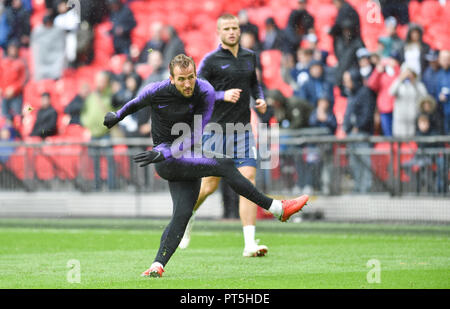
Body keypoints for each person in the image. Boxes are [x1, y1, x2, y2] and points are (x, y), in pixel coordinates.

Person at [102, 54, 309, 277]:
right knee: (224, 164)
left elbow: (195, 134)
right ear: (171, 79)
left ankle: (157, 265)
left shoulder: (205, 90)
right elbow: (135, 103)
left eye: (191, 77)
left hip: (179, 154)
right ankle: (277, 209)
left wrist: (164, 151)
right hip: (166, 162)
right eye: (181, 79)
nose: (187, 83)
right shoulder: (156, 90)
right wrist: (117, 115)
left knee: (181, 215)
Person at [178, 14, 275, 257]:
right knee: (210, 184)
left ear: (239, 31)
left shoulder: (250, 56)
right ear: (219, 32)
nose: (232, 32)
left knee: (248, 181)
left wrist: (260, 99)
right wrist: (222, 95)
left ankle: (249, 243)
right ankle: (186, 216)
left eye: (235, 28)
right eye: (227, 28)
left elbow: (254, 83)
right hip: (216, 129)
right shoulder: (210, 61)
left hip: (242, 130)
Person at [80, 71, 117, 190]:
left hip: (106, 134)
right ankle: (97, 187)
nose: (100, 83)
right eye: (98, 80)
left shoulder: (111, 95)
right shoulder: (90, 97)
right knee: (95, 163)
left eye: (102, 80)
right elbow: (84, 113)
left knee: (110, 162)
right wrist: (87, 125)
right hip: (93, 134)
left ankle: (111, 187)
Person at [342, 70, 376, 194]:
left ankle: (365, 189)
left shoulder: (365, 93)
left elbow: (367, 114)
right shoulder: (352, 94)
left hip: (362, 134)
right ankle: (357, 188)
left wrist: (358, 126)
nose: (345, 84)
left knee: (364, 162)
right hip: (352, 135)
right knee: (354, 163)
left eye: (348, 81)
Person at [366, 53, 401, 136]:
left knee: (397, 133)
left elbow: (400, 80)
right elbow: (371, 84)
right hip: (384, 107)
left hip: (397, 106)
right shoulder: (382, 74)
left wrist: (395, 67)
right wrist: (377, 71)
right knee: (387, 133)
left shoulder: (397, 72)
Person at [390, 64, 428, 137]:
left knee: (412, 142)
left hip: (413, 119)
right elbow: (391, 92)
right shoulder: (399, 84)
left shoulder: (418, 85)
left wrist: (414, 82)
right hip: (399, 119)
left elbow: (424, 98)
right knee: (399, 141)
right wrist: (400, 79)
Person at [30, 14, 66, 80]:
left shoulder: (58, 30)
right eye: (46, 23)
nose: (48, 25)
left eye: (49, 23)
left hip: (55, 57)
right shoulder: (37, 31)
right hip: (42, 58)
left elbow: (61, 46)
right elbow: (34, 47)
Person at [0, 39, 26, 121]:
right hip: (4, 94)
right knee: (4, 116)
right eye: (11, 48)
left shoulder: (21, 63)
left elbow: (23, 79)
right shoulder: (3, 62)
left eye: (15, 48)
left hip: (16, 95)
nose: (13, 50)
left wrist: (14, 89)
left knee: (16, 116)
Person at [434, 50, 450, 134]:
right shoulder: (438, 74)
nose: (445, 62)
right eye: (443, 59)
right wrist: (439, 96)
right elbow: (436, 91)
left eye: (447, 59)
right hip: (442, 111)